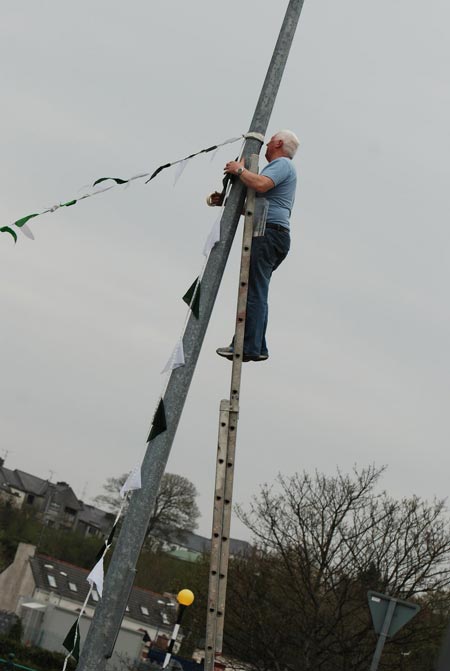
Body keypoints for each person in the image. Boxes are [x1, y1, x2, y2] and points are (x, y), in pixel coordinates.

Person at [211, 129, 299, 362]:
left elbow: (260, 184)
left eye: (270, 142)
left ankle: (247, 345)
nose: (267, 146)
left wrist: (239, 170)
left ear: (279, 143)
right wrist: (228, 203)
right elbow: (255, 207)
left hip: (268, 234)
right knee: (257, 290)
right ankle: (256, 345)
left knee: (254, 291)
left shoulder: (282, 165)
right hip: (272, 232)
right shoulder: (282, 168)